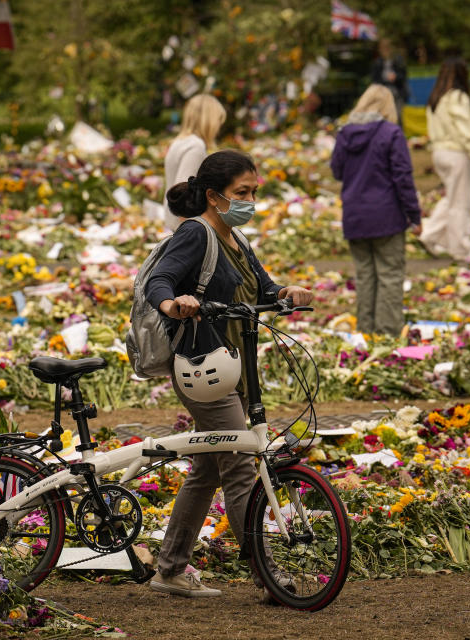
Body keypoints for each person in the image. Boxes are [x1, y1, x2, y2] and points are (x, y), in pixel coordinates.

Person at [144, 150, 314, 599]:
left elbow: (262, 286)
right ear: (216, 196)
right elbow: (158, 281)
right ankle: (268, 574)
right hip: (203, 371)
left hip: (234, 368)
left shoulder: (236, 239)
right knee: (240, 467)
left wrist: (286, 293)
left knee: (207, 471)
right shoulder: (197, 234)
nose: (251, 200)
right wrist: (173, 303)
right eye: (243, 193)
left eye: (255, 191)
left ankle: (169, 570)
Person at [331, 85, 420, 336]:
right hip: (386, 216)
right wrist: (414, 215)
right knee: (390, 275)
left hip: (355, 216)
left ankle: (366, 332)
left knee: (365, 276)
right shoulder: (391, 133)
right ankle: (387, 335)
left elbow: (337, 171)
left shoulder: (345, 134)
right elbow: (403, 177)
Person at [420, 57, 470, 262]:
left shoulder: (436, 98)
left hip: (439, 151)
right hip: (456, 152)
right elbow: (465, 129)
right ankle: (460, 248)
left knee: (452, 198)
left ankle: (429, 234)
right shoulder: (457, 97)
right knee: (461, 202)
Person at [162, 94, 227, 230]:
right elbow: (184, 192)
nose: (218, 128)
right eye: (218, 121)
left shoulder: (181, 142)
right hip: (185, 225)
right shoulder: (195, 147)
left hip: (175, 221)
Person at [370, 38, 409, 120]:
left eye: (387, 47)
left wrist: (396, 77)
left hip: (397, 93)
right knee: (383, 117)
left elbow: (404, 75)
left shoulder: (398, 60)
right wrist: (385, 79)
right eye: (384, 47)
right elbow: (375, 80)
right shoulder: (378, 62)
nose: (386, 50)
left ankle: (398, 132)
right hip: (383, 94)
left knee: (398, 116)